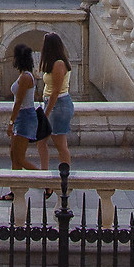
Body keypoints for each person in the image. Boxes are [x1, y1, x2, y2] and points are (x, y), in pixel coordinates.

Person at [40, 33, 74, 171]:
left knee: (60, 145)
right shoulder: (54, 63)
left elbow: (55, 91)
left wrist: (46, 114)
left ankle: (65, 177)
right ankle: (44, 173)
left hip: (58, 105)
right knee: (41, 141)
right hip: (53, 104)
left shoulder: (59, 64)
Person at [6, 43, 42, 170]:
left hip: (25, 116)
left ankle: (48, 183)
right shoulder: (23, 75)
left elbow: (19, 101)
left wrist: (11, 122)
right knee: (14, 155)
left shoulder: (26, 77)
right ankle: (16, 189)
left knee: (20, 158)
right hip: (23, 116)